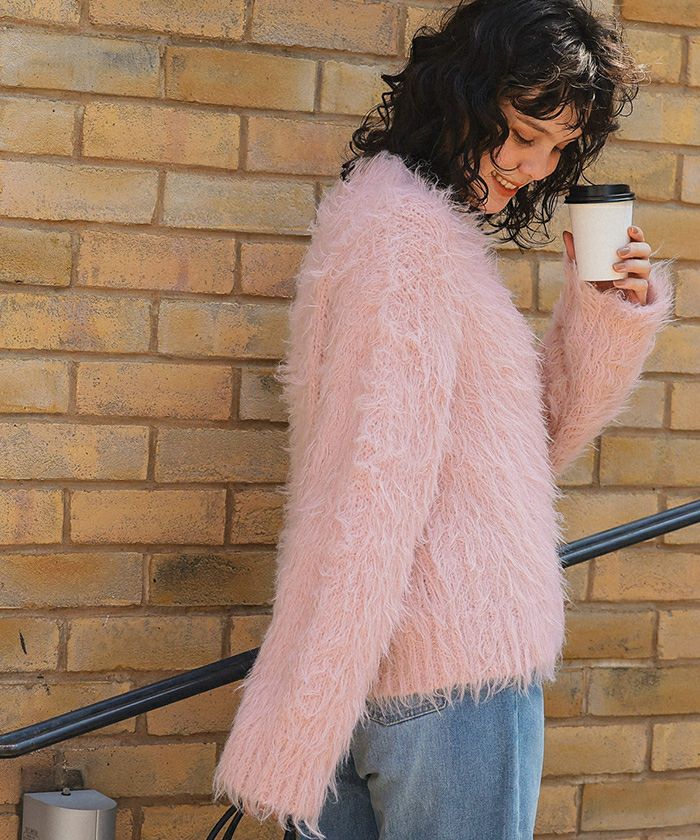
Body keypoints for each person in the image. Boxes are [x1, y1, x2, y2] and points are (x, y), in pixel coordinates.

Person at [212, 1, 675, 838]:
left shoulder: (401, 224)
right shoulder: (407, 239)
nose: (535, 167)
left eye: (558, 148)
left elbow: (521, 451)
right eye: (522, 134)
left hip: (386, 674)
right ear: (463, 95)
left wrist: (604, 311)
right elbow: (376, 481)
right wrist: (313, 699)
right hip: (453, 673)